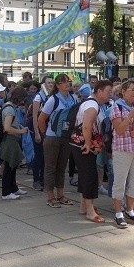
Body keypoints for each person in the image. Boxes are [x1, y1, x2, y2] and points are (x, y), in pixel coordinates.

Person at [70, 79, 113, 223]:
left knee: (84, 175)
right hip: (83, 145)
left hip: (78, 143)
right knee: (90, 177)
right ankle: (90, 210)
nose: (110, 94)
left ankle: (84, 206)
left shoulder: (91, 103)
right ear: (99, 91)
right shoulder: (92, 105)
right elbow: (87, 126)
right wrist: (88, 144)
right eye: (108, 92)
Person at [110, 79, 134, 228]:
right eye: (132, 89)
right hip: (122, 149)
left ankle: (130, 210)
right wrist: (130, 116)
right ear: (123, 91)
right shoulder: (116, 106)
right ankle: (118, 212)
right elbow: (119, 129)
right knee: (120, 182)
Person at [38, 74, 77, 208]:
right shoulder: (52, 100)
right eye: (64, 82)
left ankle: (60, 194)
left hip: (66, 137)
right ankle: (50, 196)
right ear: (58, 85)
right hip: (52, 137)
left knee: (61, 167)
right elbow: (41, 119)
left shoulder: (72, 98)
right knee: (50, 168)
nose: (67, 84)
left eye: (69, 81)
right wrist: (45, 134)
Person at [0, 86, 29, 200]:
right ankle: (6, 192)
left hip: (11, 139)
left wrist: (18, 127)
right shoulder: (10, 109)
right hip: (10, 140)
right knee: (9, 167)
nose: (23, 101)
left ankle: (13, 188)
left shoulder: (8, 106)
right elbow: (7, 128)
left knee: (13, 165)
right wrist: (20, 131)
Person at [30, 76, 54, 191]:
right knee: (39, 155)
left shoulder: (51, 96)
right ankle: (36, 180)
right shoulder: (39, 97)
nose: (51, 84)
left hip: (47, 128)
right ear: (43, 84)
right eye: (48, 82)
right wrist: (36, 133)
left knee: (46, 156)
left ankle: (43, 179)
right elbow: (35, 117)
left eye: (52, 83)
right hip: (38, 129)